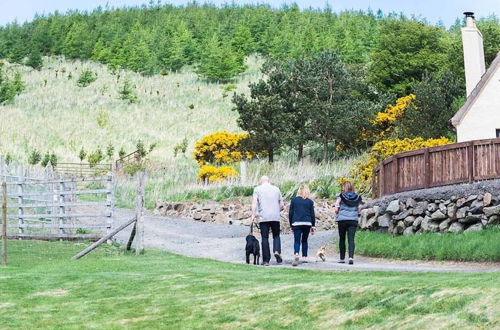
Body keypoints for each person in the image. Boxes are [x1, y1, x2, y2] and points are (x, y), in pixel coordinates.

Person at [251, 176, 284, 266]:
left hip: (264, 217)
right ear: (269, 181)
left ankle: (266, 260)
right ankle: (277, 250)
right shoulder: (276, 189)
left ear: (261, 181)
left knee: (265, 238)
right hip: (275, 217)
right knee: (276, 235)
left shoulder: (257, 189)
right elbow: (281, 204)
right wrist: (278, 210)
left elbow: (254, 203)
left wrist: (253, 215)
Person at [334, 181, 362, 265]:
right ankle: (351, 257)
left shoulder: (340, 197)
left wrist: (337, 213)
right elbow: (359, 210)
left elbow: (336, 209)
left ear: (344, 188)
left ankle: (342, 258)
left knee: (342, 239)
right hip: (353, 220)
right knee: (351, 239)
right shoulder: (358, 197)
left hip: (342, 220)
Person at [288, 184, 315, 267]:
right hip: (307, 223)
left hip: (296, 222)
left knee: (297, 240)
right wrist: (313, 225)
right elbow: (312, 214)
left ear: (298, 191)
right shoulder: (310, 201)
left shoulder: (294, 200)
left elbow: (291, 213)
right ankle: (305, 257)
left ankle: (296, 253)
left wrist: (291, 224)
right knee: (304, 240)